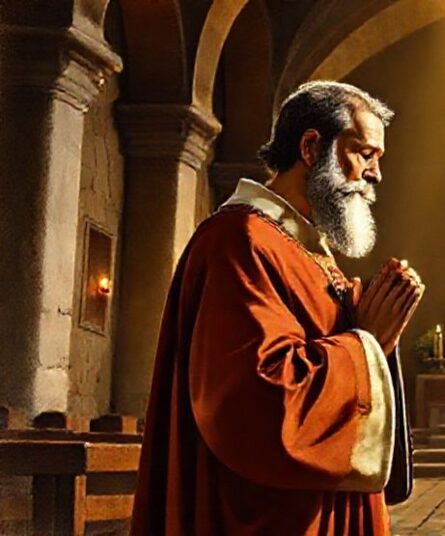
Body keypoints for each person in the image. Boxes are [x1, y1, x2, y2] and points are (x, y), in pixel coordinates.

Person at [131, 81, 420, 535]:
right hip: (265, 513)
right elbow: (255, 401)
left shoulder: (304, 248)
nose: (375, 174)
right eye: (364, 153)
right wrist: (366, 344)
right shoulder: (240, 242)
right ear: (311, 146)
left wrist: (374, 338)